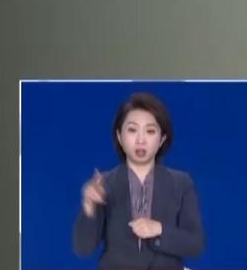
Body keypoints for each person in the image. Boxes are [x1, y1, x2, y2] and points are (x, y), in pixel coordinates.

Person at [73, 92, 205, 268]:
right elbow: (83, 249)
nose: (141, 140)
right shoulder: (104, 185)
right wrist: (89, 206)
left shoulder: (181, 183)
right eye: (132, 130)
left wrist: (159, 229)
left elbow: (195, 244)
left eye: (150, 131)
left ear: (162, 139)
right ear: (119, 137)